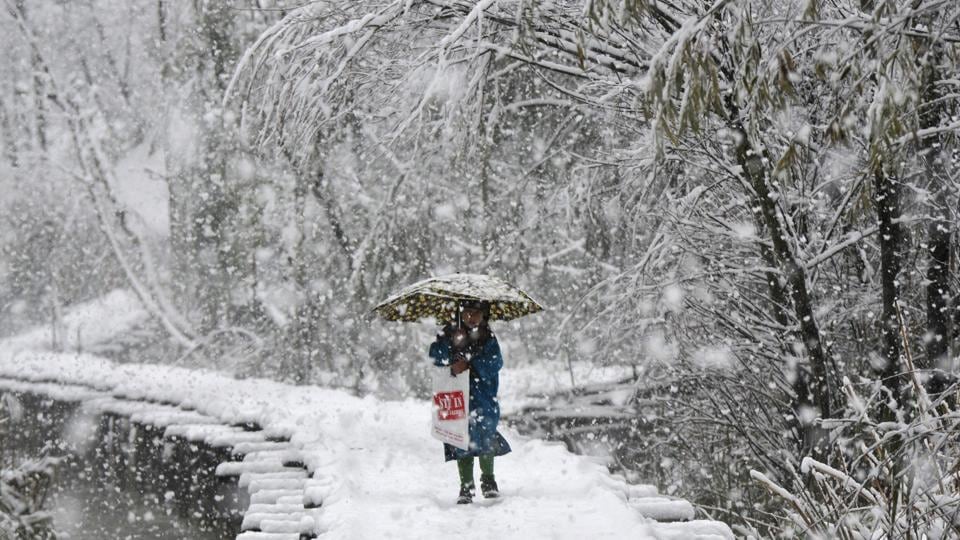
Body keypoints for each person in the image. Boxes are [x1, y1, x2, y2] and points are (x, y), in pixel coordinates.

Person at [429, 299, 511, 504]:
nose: (471, 318)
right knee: (460, 438)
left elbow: (495, 362)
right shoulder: (448, 334)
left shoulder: (487, 338)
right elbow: (435, 355)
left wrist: (471, 366)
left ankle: (488, 480)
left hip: (483, 397)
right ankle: (466, 486)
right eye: (467, 313)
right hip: (457, 395)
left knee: (486, 435)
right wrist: (450, 352)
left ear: (484, 316)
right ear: (460, 313)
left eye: (476, 313)